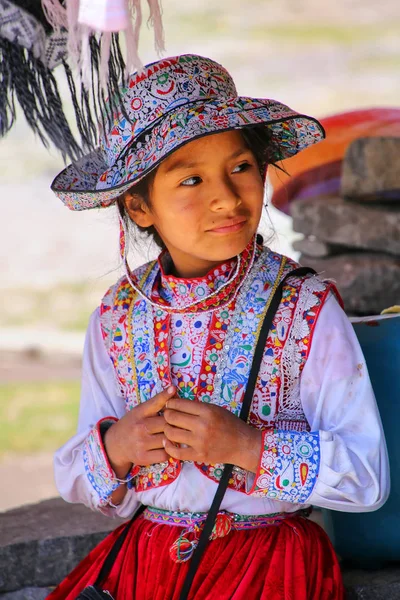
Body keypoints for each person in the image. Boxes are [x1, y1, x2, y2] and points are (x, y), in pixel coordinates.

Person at [47, 54, 389, 600]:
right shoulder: (116, 317)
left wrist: (248, 446)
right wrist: (118, 445)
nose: (227, 198)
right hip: (145, 566)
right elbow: (80, 481)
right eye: (190, 179)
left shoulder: (304, 308)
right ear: (138, 206)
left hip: (269, 568)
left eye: (241, 167)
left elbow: (366, 478)